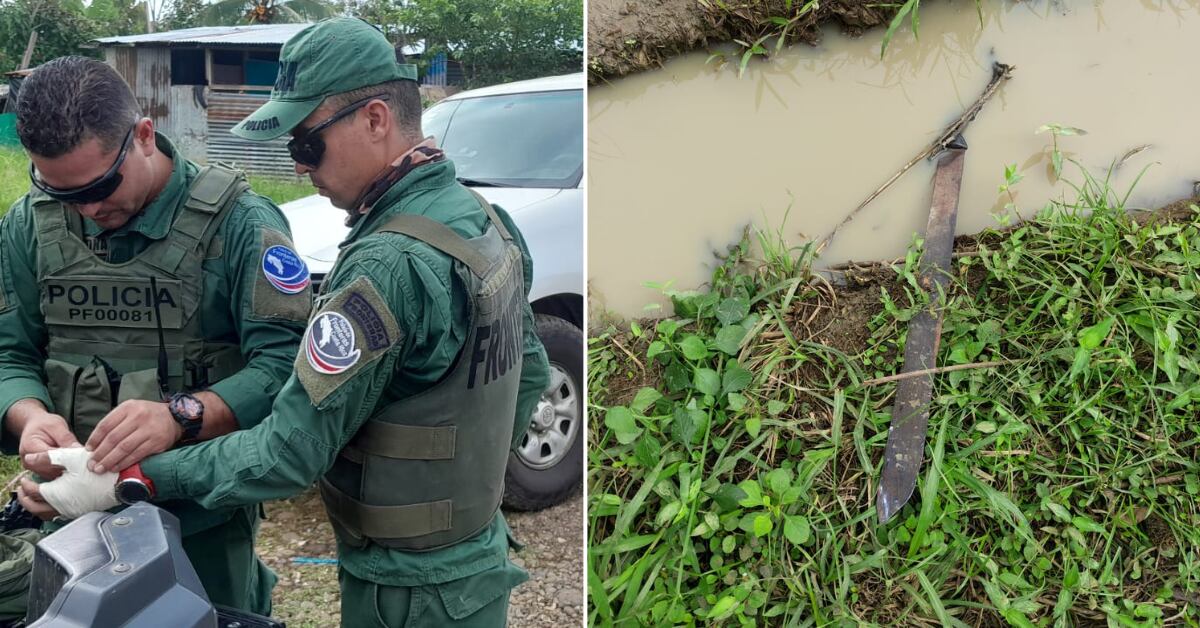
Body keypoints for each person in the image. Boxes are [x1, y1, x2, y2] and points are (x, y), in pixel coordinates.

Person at [61, 17, 552, 627]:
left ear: (375, 119)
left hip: (406, 590)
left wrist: (130, 478)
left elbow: (287, 453)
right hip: (476, 560)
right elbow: (528, 375)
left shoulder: (387, 265)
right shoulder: (487, 221)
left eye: (306, 145)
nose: (298, 169)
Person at [0, 56, 314, 615]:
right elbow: (10, 352)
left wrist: (181, 415)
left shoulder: (241, 224)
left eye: (100, 185)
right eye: (63, 191)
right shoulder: (30, 223)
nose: (89, 209)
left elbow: (286, 366)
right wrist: (29, 417)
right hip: (70, 519)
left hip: (199, 519)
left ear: (144, 135)